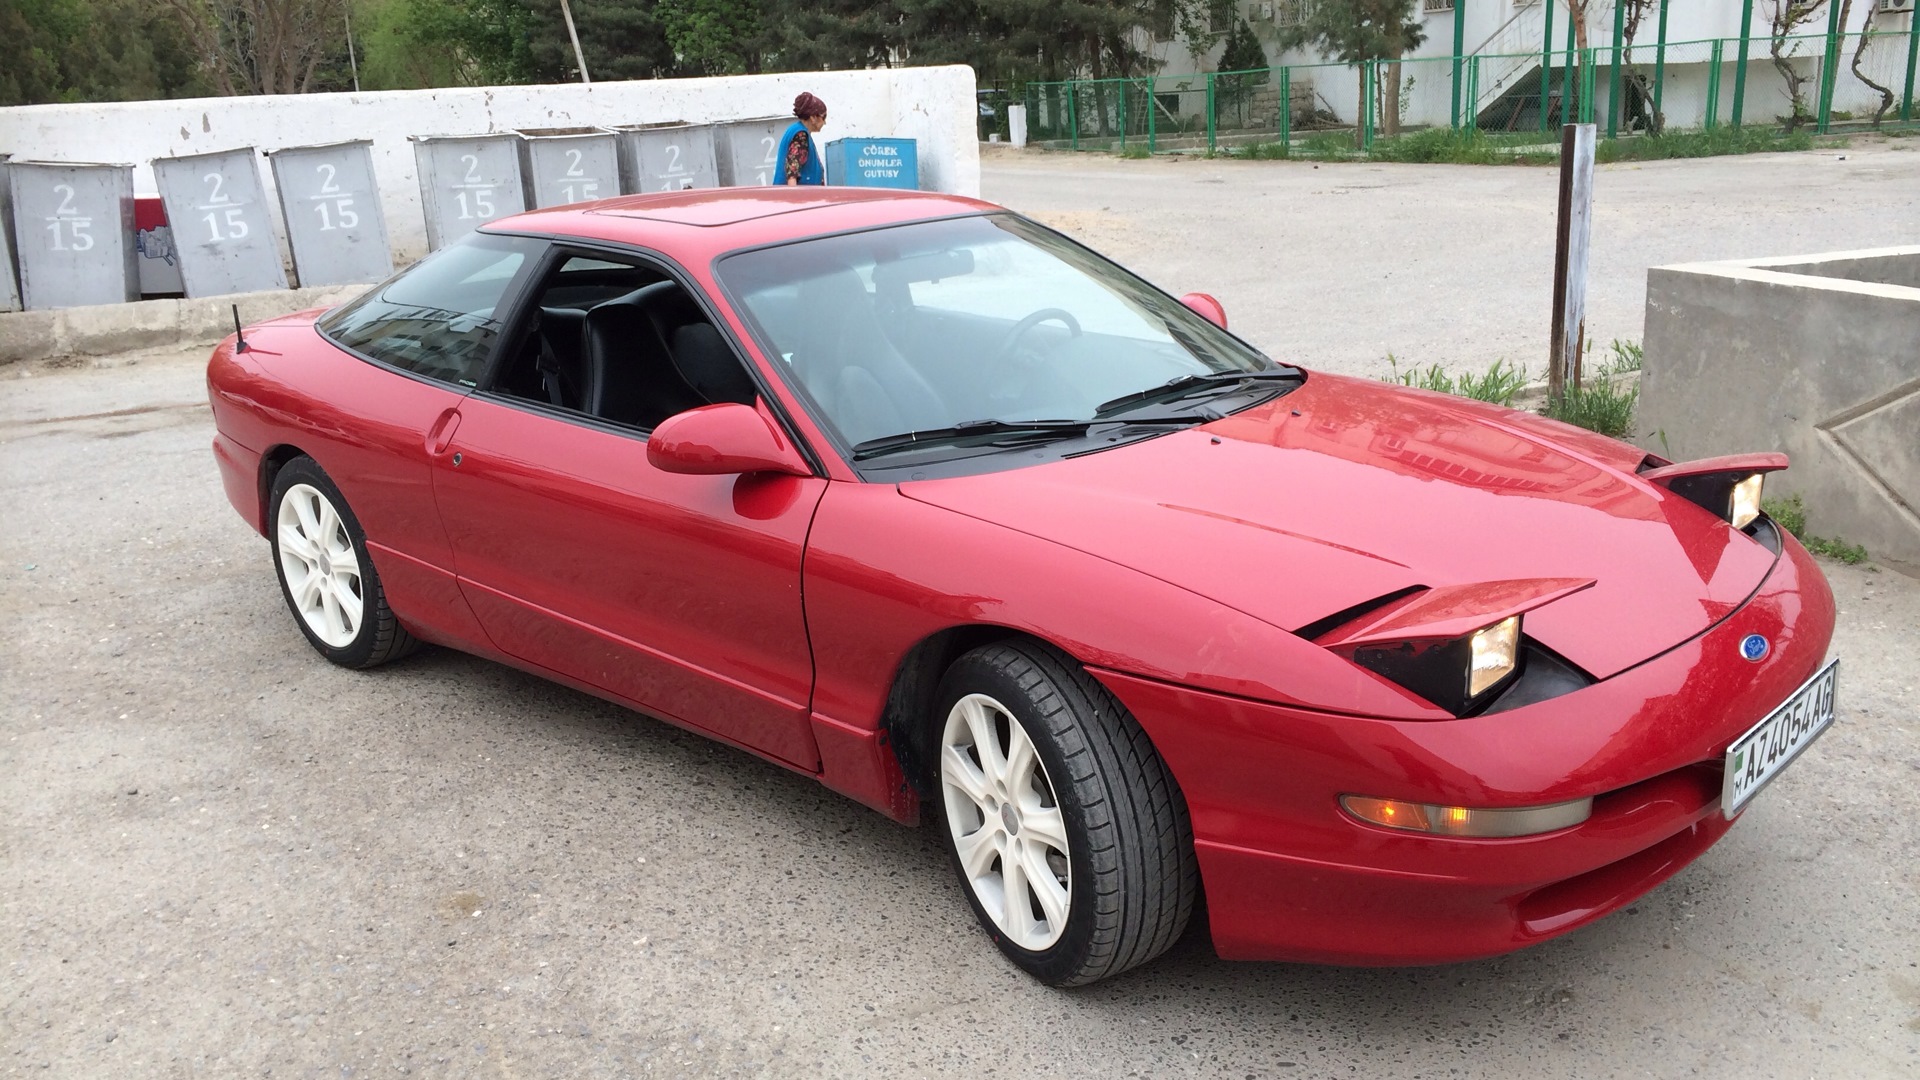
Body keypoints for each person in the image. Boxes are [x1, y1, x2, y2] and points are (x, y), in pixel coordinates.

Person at [779, 93, 828, 186]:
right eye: (823, 117)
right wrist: (793, 198)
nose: (825, 122)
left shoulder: (795, 130)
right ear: (813, 117)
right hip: (799, 199)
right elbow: (792, 173)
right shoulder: (801, 135)